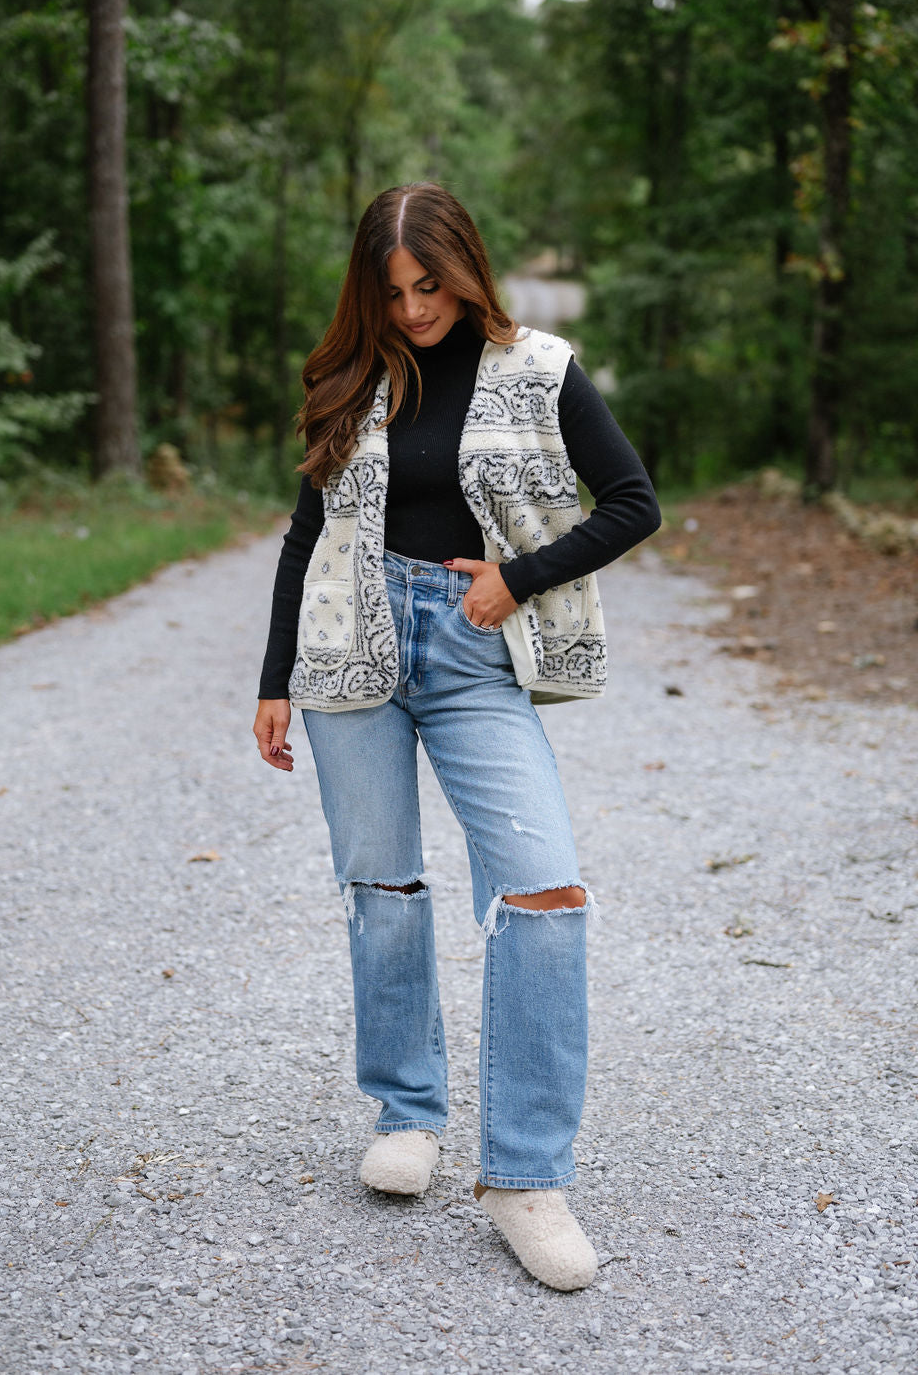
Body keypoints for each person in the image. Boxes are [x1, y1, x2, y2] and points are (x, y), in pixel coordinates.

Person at [253, 182, 660, 1292]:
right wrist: (274, 678)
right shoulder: (356, 374)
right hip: (350, 646)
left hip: (476, 648)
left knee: (542, 891)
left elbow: (632, 503)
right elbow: (305, 535)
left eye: (430, 285)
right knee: (381, 886)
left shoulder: (539, 368)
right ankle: (406, 1112)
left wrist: (516, 579)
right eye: (392, 291)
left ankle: (525, 1177)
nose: (414, 307)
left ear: (468, 270)